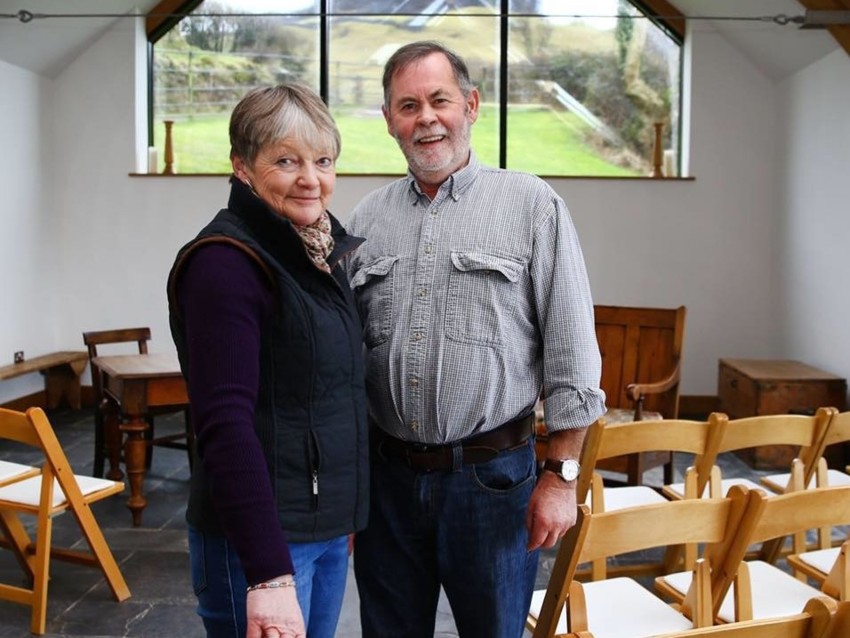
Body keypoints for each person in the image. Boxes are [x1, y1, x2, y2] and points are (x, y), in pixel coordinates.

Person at [344, 41, 606, 637]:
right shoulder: (363, 223)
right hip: (386, 486)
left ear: (471, 105)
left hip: (494, 485)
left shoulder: (533, 206)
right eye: (407, 105)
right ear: (389, 121)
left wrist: (562, 479)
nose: (426, 118)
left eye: (439, 100)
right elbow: (344, 362)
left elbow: (572, 352)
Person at [166, 83, 369, 638]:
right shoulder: (226, 265)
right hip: (260, 543)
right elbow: (225, 425)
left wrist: (341, 513)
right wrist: (269, 574)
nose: (311, 178)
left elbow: (331, 395)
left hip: (319, 528)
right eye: (286, 160)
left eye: (323, 160)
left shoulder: (318, 253)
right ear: (243, 168)